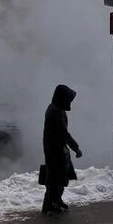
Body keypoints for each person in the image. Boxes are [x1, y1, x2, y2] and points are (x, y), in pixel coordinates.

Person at [42, 84, 82, 214]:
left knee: (59, 177)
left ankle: (56, 200)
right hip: (55, 150)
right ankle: (50, 204)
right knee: (55, 179)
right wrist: (76, 148)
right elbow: (64, 133)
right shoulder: (55, 112)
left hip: (57, 149)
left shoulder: (56, 109)